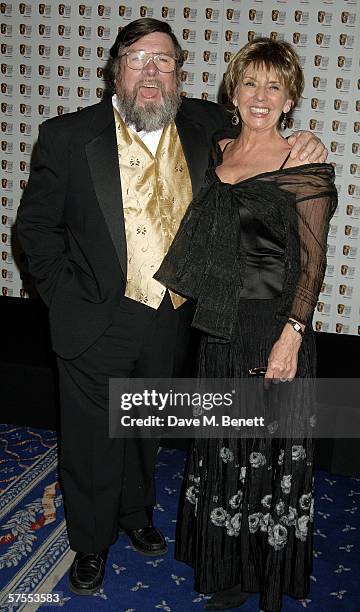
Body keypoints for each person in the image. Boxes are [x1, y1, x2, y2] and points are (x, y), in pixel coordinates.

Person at [17, 19, 327, 598]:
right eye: (139, 60)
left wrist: (304, 138)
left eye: (165, 62)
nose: (152, 73)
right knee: (91, 437)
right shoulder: (66, 135)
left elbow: (264, 134)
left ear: (180, 73)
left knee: (143, 428)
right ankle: (90, 542)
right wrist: (62, 295)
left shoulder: (206, 127)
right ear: (117, 68)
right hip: (93, 314)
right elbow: (35, 230)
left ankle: (135, 515)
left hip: (173, 316)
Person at [155, 38, 337, 612]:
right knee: (222, 447)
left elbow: (312, 263)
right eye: (251, 83)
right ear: (234, 91)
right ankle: (228, 571)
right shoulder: (218, 148)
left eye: (274, 87)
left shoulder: (302, 160)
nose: (261, 96)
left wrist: (292, 336)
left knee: (268, 448)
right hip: (218, 326)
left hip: (274, 328)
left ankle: (269, 576)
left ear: (290, 100)